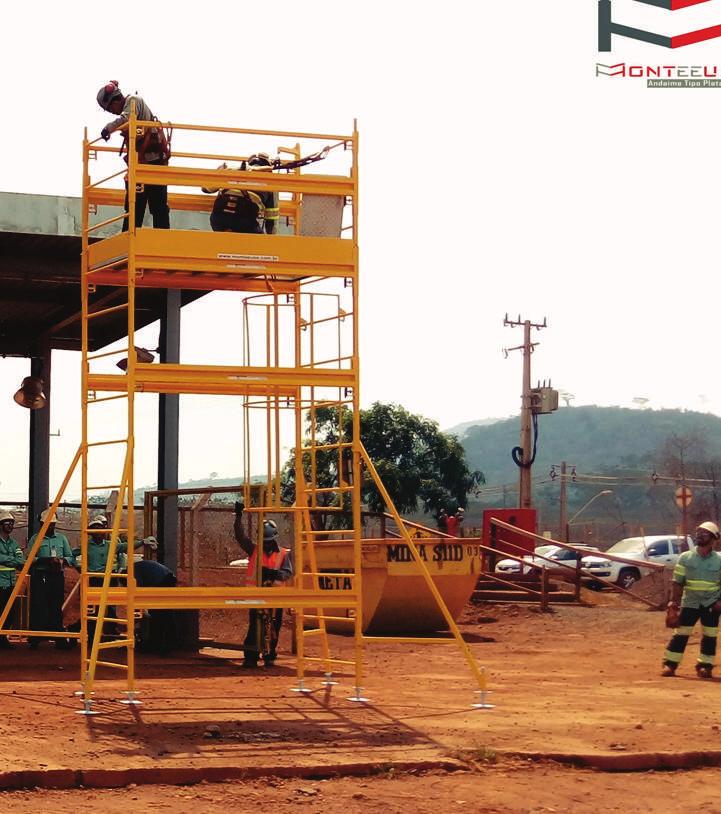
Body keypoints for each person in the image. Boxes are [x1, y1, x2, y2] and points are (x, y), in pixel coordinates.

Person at [96, 80, 170, 230]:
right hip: (140, 165)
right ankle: (128, 241)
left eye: (111, 109)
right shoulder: (130, 105)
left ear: (115, 100)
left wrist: (108, 129)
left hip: (153, 164)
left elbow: (127, 118)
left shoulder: (133, 101)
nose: (113, 112)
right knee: (134, 207)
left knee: (158, 207)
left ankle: (162, 242)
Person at [76, 515, 158, 640]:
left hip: (110, 577)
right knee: (93, 609)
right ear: (91, 532)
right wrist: (76, 566)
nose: (99, 532)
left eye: (101, 528)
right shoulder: (86, 545)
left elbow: (126, 547)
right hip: (93, 579)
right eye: (95, 529)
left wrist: (142, 542)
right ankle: (92, 635)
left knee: (110, 605)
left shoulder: (111, 544)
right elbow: (71, 553)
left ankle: (110, 630)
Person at [233, 502, 293, 668]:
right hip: (256, 596)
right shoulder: (254, 549)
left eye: (268, 541)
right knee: (255, 626)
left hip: (275, 597)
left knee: (273, 627)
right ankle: (251, 656)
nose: (265, 544)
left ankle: (269, 655)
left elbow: (288, 572)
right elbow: (240, 537)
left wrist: (274, 574)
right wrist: (238, 516)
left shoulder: (283, 553)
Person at [662, 521, 721, 679]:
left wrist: (719, 602)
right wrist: (674, 603)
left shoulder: (719, 560)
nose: (700, 535)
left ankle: (705, 667)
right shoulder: (685, 558)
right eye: (699, 532)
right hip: (690, 603)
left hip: (711, 604)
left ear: (714, 538)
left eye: (705, 533)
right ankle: (670, 664)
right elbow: (677, 582)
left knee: (710, 637)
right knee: (680, 634)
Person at [27, 509, 76, 649]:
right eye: (47, 524)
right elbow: (29, 558)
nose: (50, 527)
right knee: (39, 606)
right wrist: (44, 560)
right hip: (41, 576)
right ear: (42, 524)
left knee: (56, 606)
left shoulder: (62, 539)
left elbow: (70, 557)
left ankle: (59, 638)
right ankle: (35, 638)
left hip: (56, 577)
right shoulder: (35, 539)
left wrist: (60, 561)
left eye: (52, 524)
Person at [202, 153, 279, 235]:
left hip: (218, 219)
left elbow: (205, 189)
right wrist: (272, 239)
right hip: (244, 221)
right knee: (259, 244)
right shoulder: (271, 182)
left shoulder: (232, 171)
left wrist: (218, 172)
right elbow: (272, 218)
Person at [134, 558, 178, 654]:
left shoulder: (133, 571)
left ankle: (159, 644)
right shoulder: (138, 567)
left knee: (160, 613)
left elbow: (138, 588)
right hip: (167, 577)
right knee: (164, 613)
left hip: (162, 581)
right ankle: (163, 643)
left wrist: (138, 608)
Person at [0, 511, 24, 649]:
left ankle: (3, 638)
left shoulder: (13, 543)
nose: (10, 526)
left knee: (10, 612)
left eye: (12, 523)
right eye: (7, 523)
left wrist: (9, 560)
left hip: (11, 584)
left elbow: (20, 560)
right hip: (0, 584)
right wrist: (12, 560)